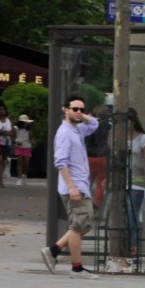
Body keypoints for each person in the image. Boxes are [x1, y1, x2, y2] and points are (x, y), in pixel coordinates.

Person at [40, 95, 101, 278]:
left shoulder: (77, 129)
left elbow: (95, 125)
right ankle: (76, 268)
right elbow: (60, 162)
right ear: (65, 110)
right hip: (74, 188)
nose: (79, 113)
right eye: (75, 109)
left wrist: (85, 117)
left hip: (81, 185)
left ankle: (53, 250)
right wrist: (72, 187)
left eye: (82, 110)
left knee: (84, 224)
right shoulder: (65, 133)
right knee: (77, 227)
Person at [107, 107, 145, 273]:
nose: (125, 124)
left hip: (137, 180)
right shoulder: (117, 138)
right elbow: (109, 148)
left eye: (127, 121)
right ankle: (122, 248)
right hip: (121, 181)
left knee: (131, 215)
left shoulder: (143, 139)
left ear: (134, 121)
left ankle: (132, 248)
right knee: (121, 217)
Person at [85, 103, 111, 208]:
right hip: (103, 156)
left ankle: (83, 202)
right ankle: (97, 204)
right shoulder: (109, 127)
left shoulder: (91, 125)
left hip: (89, 156)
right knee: (101, 183)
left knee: (87, 181)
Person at [13, 114, 33, 185]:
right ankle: (19, 178)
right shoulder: (16, 128)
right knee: (20, 162)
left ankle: (24, 175)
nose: (26, 124)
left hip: (27, 146)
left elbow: (31, 139)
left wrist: (32, 142)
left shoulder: (28, 130)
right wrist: (16, 141)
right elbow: (13, 137)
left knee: (26, 163)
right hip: (19, 146)